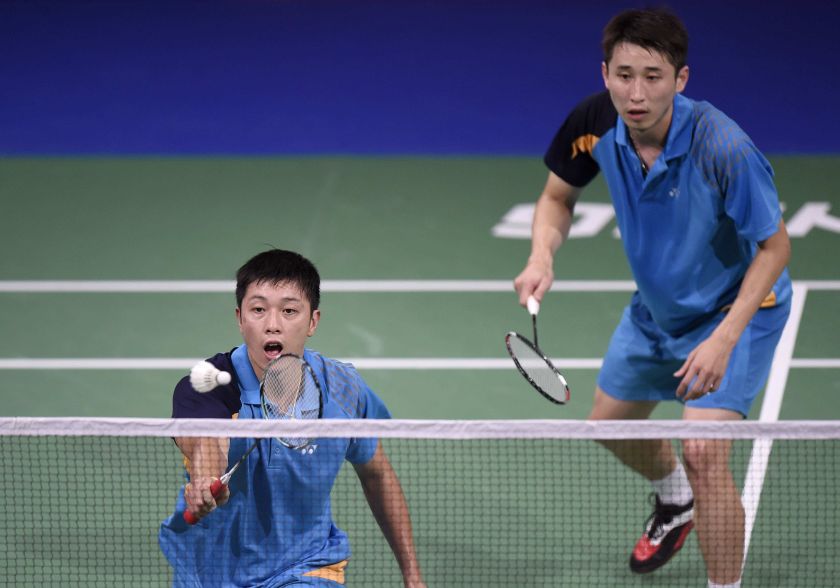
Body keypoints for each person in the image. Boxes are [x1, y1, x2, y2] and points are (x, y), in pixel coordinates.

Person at [513, 8, 791, 588]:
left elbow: (775, 248)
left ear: (681, 79)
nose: (636, 93)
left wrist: (723, 339)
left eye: (653, 76)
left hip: (736, 309)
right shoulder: (594, 121)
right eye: (624, 75)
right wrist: (542, 256)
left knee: (704, 452)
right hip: (659, 308)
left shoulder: (724, 146)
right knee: (610, 426)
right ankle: (675, 498)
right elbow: (557, 198)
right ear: (605, 73)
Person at [159, 249, 426, 587]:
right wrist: (204, 481)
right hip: (211, 569)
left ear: (313, 321)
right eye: (258, 310)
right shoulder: (208, 384)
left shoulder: (343, 389)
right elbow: (206, 444)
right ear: (240, 318)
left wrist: (412, 576)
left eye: (289, 311)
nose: (273, 324)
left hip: (307, 565)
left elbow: (377, 474)